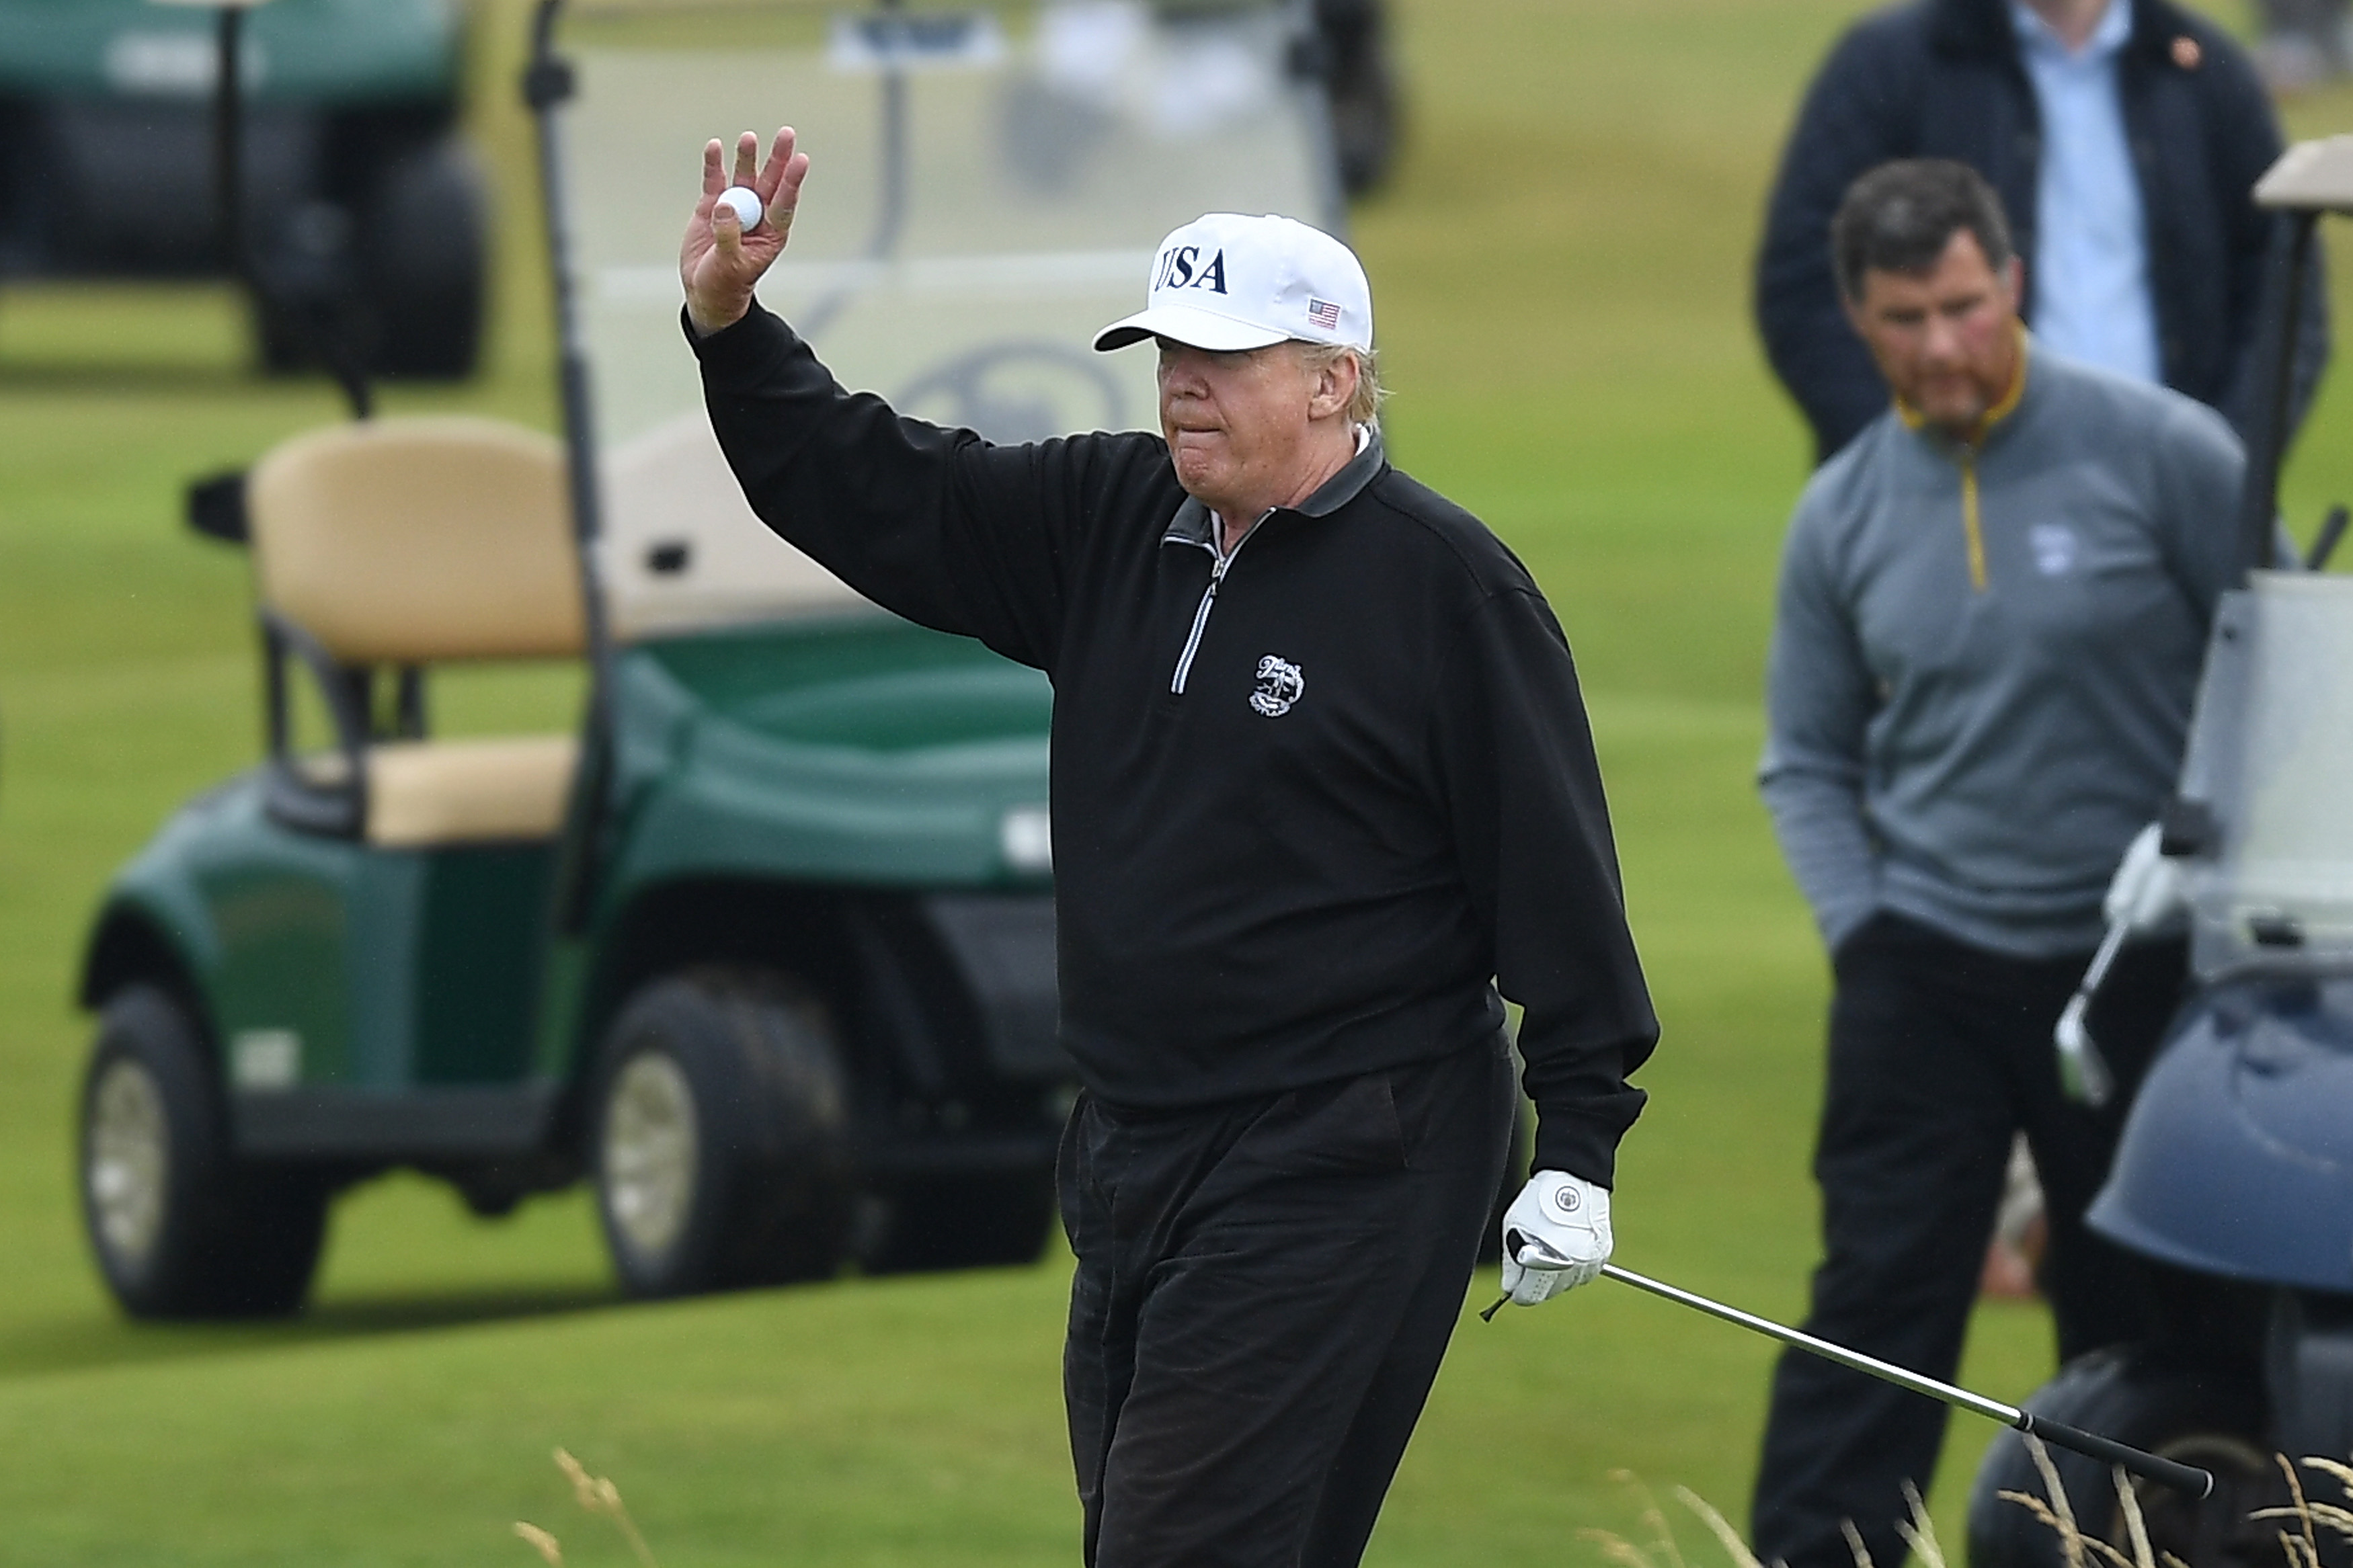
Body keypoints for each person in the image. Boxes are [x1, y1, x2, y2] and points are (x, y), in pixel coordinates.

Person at [680, 130, 1659, 1568]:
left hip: (1346, 1146)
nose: (1179, 384)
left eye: (1223, 355)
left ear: (1334, 379)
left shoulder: (1445, 589)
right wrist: (730, 323)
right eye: (1164, 353)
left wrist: (1578, 1140)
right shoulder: (1107, 513)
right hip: (1133, 1139)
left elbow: (1556, 879)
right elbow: (870, 486)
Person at [1750, 159, 2241, 1568]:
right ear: (1858, 318)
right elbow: (1805, 757)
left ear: (2011, 284)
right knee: (1872, 1312)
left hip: (2140, 956)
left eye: (1964, 305)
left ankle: (2166, 1546)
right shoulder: (1842, 513)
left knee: (2148, 1311)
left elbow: (2279, 675)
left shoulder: (2163, 451)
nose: (1943, 344)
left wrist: (2205, 861)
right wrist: (1867, 933)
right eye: (1906, 317)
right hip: (1928, 960)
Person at [1755, 0, 2327, 465]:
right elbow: (1805, 285)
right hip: (1952, 505)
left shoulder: (2201, 70)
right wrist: (1919, 467)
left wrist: (2217, 464)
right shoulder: (1891, 63)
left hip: (2167, 514)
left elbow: (2286, 291)